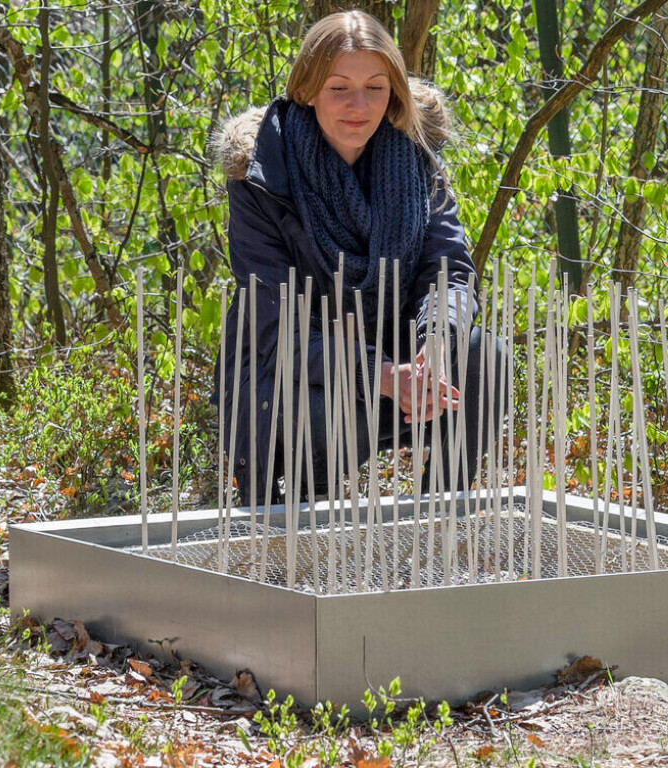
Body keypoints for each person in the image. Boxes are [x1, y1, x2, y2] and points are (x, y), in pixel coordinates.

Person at [212, 10, 504, 503]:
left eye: (375, 87)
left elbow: (449, 271)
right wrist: (384, 375)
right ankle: (310, 531)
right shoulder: (262, 174)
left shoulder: (417, 158)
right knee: (328, 415)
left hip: (399, 369)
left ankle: (434, 526)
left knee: (483, 356)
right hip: (296, 383)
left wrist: (434, 343)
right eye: (339, 88)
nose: (359, 105)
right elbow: (277, 332)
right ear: (307, 90)